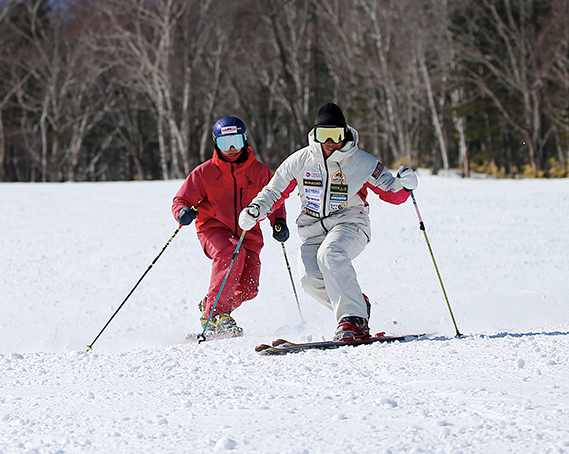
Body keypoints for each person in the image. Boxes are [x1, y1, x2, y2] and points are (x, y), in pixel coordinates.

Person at [237, 102, 418, 342]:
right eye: (324, 135)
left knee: (330, 254)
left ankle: (354, 320)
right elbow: (275, 190)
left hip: (351, 224)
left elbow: (390, 191)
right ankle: (356, 306)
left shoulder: (362, 162)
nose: (330, 142)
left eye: (336, 135)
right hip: (312, 231)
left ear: (345, 133)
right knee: (309, 279)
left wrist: (404, 186)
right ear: (315, 135)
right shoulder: (300, 160)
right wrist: (256, 209)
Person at [172, 116, 288, 337]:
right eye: (226, 144)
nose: (232, 148)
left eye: (236, 141)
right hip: (213, 229)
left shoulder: (260, 172)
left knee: (249, 287)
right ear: (216, 144)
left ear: (245, 140)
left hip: (248, 232)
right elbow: (181, 200)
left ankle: (210, 306)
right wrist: (182, 212)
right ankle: (216, 314)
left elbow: (275, 199)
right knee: (231, 252)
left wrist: (279, 222)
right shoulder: (204, 172)